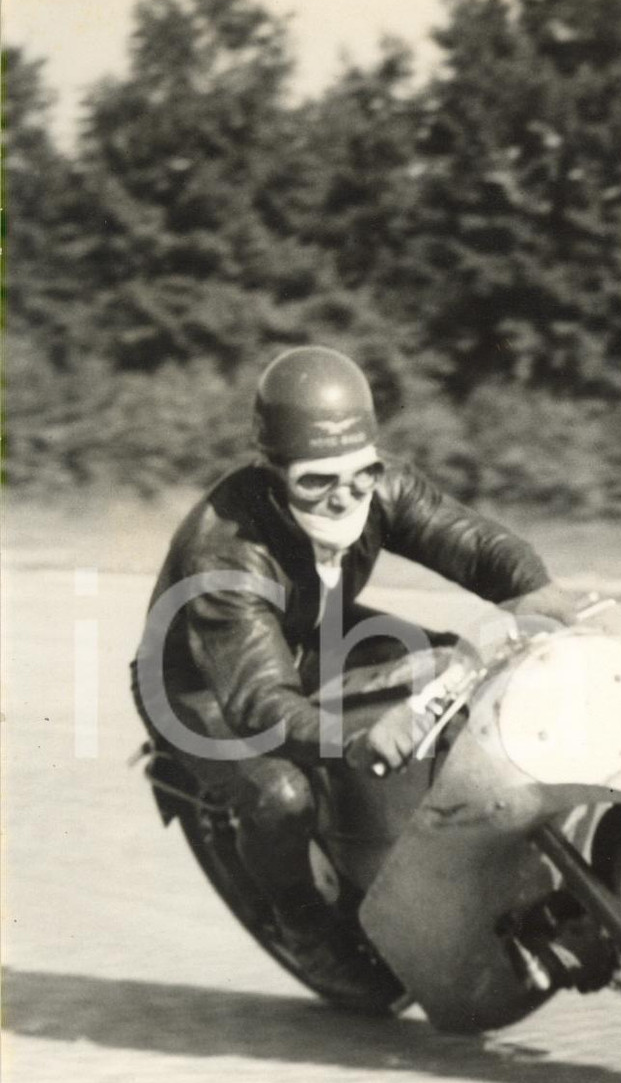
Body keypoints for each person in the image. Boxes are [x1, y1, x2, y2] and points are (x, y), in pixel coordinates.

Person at [132, 344, 582, 1004]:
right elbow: (260, 699)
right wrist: (351, 739)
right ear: (271, 471)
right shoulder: (224, 553)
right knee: (282, 793)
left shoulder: (380, 486)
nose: (344, 494)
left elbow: (470, 539)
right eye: (315, 481)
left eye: (360, 474)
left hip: (311, 634)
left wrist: (533, 588)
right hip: (202, 685)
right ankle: (303, 922)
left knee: (454, 670)